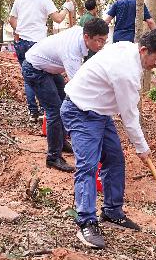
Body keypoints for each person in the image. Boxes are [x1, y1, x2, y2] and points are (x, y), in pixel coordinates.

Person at [61, 30, 156, 249]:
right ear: (144, 50)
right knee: (88, 167)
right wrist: (142, 147)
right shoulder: (126, 72)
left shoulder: (127, 49)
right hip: (80, 111)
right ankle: (86, 222)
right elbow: (129, 116)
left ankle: (112, 211)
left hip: (100, 113)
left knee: (114, 159)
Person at [23, 18, 110, 173]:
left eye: (104, 41)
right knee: (55, 111)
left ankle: (61, 142)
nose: (101, 45)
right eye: (98, 41)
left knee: (64, 103)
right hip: (35, 69)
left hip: (49, 69)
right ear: (87, 37)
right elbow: (78, 86)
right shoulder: (72, 51)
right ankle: (53, 157)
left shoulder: (81, 33)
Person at [9, 0, 75, 122]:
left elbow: (11, 20)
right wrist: (67, 8)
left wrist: (20, 30)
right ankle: (48, 109)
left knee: (28, 77)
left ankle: (33, 112)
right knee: (43, 77)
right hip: (37, 44)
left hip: (21, 43)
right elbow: (58, 19)